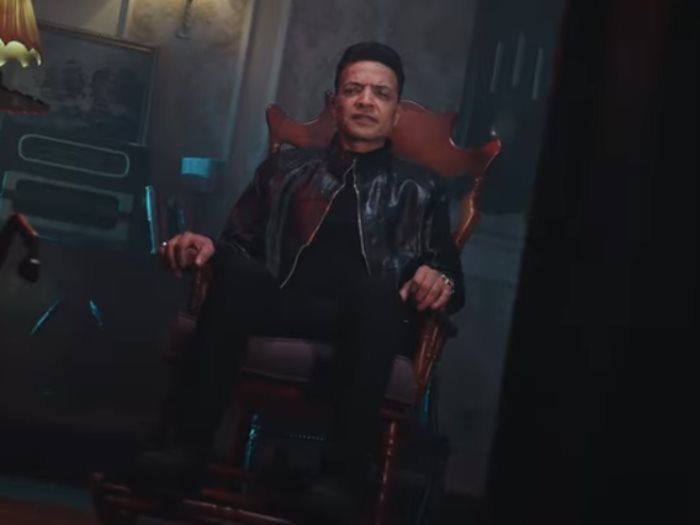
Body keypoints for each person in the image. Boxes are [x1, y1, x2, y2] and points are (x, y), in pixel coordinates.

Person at [140, 41, 465, 524]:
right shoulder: (285, 169)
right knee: (235, 271)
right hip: (283, 305)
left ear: (396, 112)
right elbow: (238, 246)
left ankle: (339, 482)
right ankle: (184, 453)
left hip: (367, 323)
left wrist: (436, 277)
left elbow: (451, 281)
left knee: (378, 290)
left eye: (381, 93)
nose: (366, 101)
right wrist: (206, 247)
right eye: (353, 90)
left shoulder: (421, 188)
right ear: (335, 103)